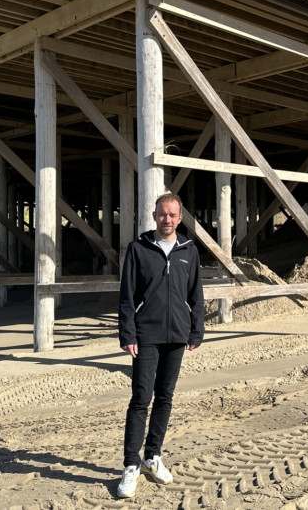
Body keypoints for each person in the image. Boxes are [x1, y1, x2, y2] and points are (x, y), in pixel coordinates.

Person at [116, 192, 204, 498]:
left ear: (180, 218)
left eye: (172, 215)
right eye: (162, 214)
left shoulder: (189, 250)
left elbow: (196, 294)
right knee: (141, 399)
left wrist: (196, 330)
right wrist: (128, 334)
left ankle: (152, 456)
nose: (167, 219)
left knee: (165, 397)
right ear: (154, 216)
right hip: (146, 335)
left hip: (177, 334)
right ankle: (131, 465)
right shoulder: (138, 248)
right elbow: (127, 296)